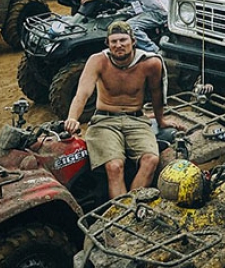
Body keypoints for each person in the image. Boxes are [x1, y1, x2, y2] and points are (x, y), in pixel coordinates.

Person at [64, 21, 176, 198]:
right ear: (107, 44)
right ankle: (121, 212)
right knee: (114, 166)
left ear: (133, 41)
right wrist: (72, 118)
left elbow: (157, 94)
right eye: (113, 41)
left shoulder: (150, 63)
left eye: (123, 40)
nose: (119, 45)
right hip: (104, 121)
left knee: (151, 160)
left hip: (137, 120)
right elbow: (82, 94)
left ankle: (131, 209)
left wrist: (161, 121)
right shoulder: (98, 61)